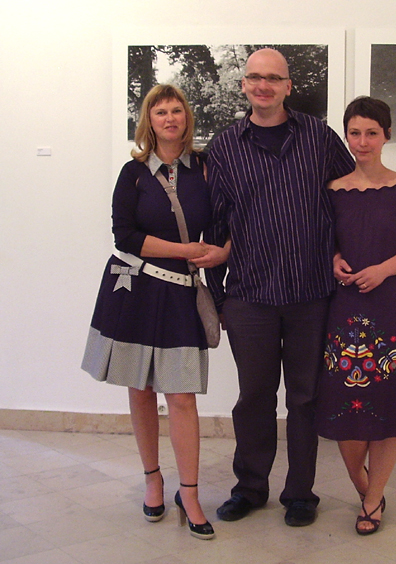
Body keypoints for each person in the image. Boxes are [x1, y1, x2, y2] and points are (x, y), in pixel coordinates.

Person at [199, 48, 355, 527]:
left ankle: (301, 494)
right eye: (255, 77)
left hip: (312, 292)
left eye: (273, 78)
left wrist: (346, 256)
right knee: (254, 398)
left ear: (288, 86)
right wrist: (219, 296)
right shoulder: (224, 146)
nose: (263, 86)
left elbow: (349, 199)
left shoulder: (319, 137)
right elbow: (216, 223)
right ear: (243, 85)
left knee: (305, 398)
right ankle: (250, 488)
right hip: (250, 296)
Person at [82, 84, 229, 540]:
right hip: (136, 289)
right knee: (141, 388)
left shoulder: (206, 168)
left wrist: (221, 254)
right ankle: (153, 480)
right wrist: (185, 250)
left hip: (182, 292)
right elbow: (124, 235)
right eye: (160, 111)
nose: (169, 118)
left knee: (182, 396)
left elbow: (225, 222)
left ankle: (189, 493)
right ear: (149, 120)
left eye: (176, 109)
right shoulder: (133, 173)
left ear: (187, 117)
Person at [316, 96, 396, 535]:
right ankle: (363, 483)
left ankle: (373, 499)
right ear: (346, 136)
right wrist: (335, 259)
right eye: (355, 133)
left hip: (395, 304)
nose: (363, 141)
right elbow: (330, 242)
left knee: (391, 405)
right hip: (346, 304)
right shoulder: (333, 189)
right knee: (344, 407)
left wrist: (382, 270)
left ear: (386, 135)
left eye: (372, 133)